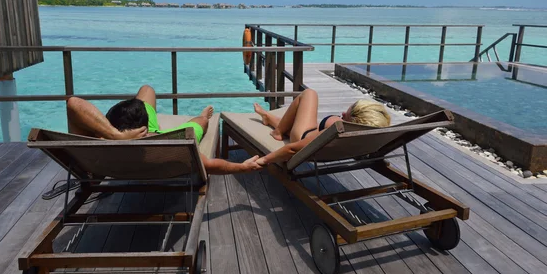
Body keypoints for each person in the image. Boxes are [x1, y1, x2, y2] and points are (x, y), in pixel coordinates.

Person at [66, 84, 263, 174]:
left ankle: (130, 117)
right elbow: (210, 165)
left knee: (146, 90)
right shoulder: (173, 145)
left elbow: (73, 103)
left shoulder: (99, 144)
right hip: (153, 137)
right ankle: (202, 115)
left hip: (119, 144)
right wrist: (242, 167)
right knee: (201, 122)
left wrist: (115, 135)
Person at [252, 89, 391, 166]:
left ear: (355, 122)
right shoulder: (368, 135)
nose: (342, 113)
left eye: (346, 115)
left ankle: (278, 131)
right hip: (320, 141)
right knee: (302, 120)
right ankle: (268, 117)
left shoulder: (337, 130)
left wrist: (264, 160)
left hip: (303, 139)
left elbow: (292, 148)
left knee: (309, 93)